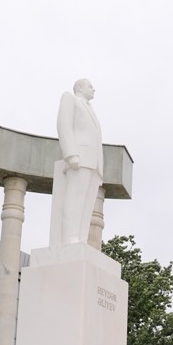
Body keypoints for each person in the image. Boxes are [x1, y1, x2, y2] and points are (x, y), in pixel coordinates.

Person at [51, 78, 104, 247]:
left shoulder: (91, 109)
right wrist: (71, 153)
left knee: (87, 203)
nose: (94, 89)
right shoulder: (70, 99)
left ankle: (80, 238)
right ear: (80, 88)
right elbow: (63, 124)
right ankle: (69, 237)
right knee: (74, 197)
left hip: (93, 162)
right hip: (79, 156)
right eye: (90, 86)